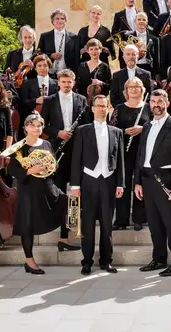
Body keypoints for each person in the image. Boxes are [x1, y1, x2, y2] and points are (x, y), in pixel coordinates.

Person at [134, 90, 171, 277]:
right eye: (153, 101)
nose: (156, 104)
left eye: (160, 101)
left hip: (166, 180)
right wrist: (138, 182)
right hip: (147, 180)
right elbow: (141, 155)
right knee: (154, 223)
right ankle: (158, 258)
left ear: (167, 102)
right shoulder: (147, 126)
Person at [7, 112, 69, 275]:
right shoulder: (19, 147)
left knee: (68, 202)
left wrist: (52, 167)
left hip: (47, 186)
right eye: (32, 125)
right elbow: (12, 169)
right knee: (27, 224)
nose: (36, 128)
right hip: (28, 188)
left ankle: (64, 239)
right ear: (26, 127)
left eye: (39, 125)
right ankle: (29, 261)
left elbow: (53, 163)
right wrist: (29, 171)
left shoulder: (46, 144)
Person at [70, 95, 124, 275]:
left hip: (108, 181)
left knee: (107, 224)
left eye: (104, 106)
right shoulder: (82, 131)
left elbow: (120, 160)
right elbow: (76, 159)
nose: (101, 109)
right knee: (87, 224)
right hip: (88, 181)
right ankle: (86, 261)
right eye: (98, 106)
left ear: (108, 109)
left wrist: (120, 184)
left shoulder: (117, 132)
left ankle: (106, 261)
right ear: (92, 108)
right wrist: (75, 185)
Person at [40, 69, 90, 252]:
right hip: (58, 151)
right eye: (64, 81)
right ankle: (62, 235)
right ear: (58, 82)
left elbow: (87, 124)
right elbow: (43, 125)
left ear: (74, 82)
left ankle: (71, 230)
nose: (67, 84)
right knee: (60, 193)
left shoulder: (81, 99)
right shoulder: (49, 100)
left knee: (75, 191)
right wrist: (58, 133)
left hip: (77, 151)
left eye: (70, 82)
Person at [110, 77, 150, 231]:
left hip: (143, 152)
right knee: (123, 183)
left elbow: (156, 127)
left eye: (137, 86)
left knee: (141, 183)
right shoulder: (119, 108)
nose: (134, 89)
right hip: (124, 152)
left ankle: (139, 219)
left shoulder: (148, 107)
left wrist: (142, 129)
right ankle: (121, 220)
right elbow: (111, 130)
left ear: (142, 90)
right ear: (126, 90)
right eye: (131, 87)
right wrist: (124, 131)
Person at [40, 8, 79, 75]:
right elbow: (39, 53)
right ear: (52, 21)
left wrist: (76, 75)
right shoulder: (44, 36)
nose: (60, 21)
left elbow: (77, 58)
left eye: (62, 19)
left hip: (67, 75)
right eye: (57, 18)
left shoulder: (74, 38)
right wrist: (50, 55)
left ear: (65, 21)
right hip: (49, 73)